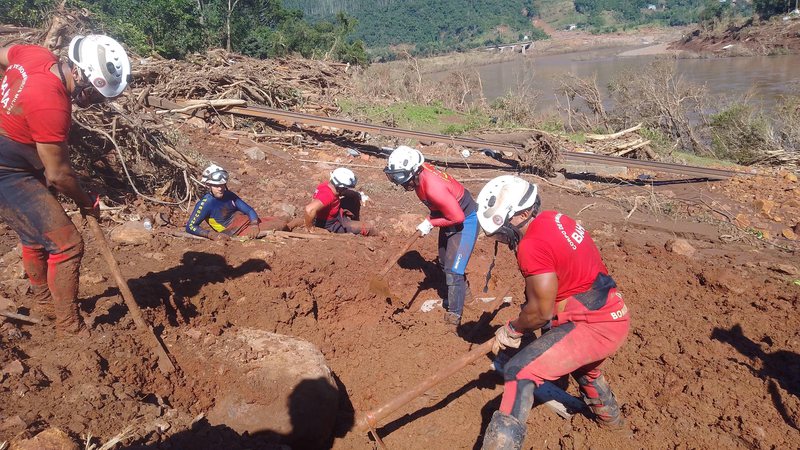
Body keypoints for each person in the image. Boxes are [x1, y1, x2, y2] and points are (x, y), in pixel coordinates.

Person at [474, 175, 631, 450]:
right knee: (587, 371)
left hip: (593, 324)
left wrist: (512, 329)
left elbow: (541, 312)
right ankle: (614, 427)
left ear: (521, 214)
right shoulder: (554, 218)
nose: (500, 238)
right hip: (609, 307)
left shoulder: (531, 246)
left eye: (501, 230)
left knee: (519, 371)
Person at [0, 35, 131, 333]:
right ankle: (69, 326)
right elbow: (58, 176)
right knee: (68, 244)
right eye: (94, 94)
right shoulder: (51, 104)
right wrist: (87, 203)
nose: (93, 101)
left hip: (18, 161)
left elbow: (2, 54)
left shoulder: (34, 55)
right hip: (7, 171)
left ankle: (44, 299)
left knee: (35, 235)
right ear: (79, 73)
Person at [383, 146, 478, 328]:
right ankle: (467, 295)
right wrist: (432, 219)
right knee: (444, 263)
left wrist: (431, 222)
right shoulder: (419, 174)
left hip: (466, 219)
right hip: (448, 214)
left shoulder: (433, 187)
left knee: (453, 271)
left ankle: (454, 316)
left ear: (414, 171)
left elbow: (457, 217)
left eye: (402, 178)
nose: (401, 184)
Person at [186, 164, 288, 240]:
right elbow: (190, 226)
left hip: (247, 222)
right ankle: (292, 225)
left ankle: (294, 223)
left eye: (222, 185)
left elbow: (249, 210)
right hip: (235, 231)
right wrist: (210, 234)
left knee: (279, 219)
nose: (220, 189)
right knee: (280, 224)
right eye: (216, 186)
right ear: (208, 186)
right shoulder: (205, 203)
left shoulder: (229, 195)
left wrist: (254, 224)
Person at [303, 167, 373, 235]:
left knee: (353, 196)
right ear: (340, 188)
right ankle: (380, 236)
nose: (346, 189)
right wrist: (309, 227)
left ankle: (353, 221)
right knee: (368, 227)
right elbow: (309, 209)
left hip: (330, 213)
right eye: (345, 188)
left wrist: (358, 195)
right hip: (329, 224)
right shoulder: (328, 196)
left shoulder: (327, 185)